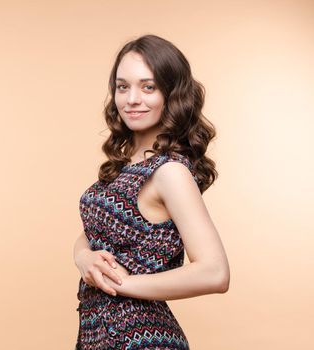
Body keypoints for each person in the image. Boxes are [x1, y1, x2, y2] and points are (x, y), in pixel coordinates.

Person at [73, 34, 230, 349]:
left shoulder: (169, 172)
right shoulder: (123, 166)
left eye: (148, 87)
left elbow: (215, 272)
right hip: (100, 335)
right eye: (122, 86)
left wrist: (123, 283)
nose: (131, 99)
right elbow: (92, 233)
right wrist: (84, 258)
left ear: (172, 94)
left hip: (143, 338)